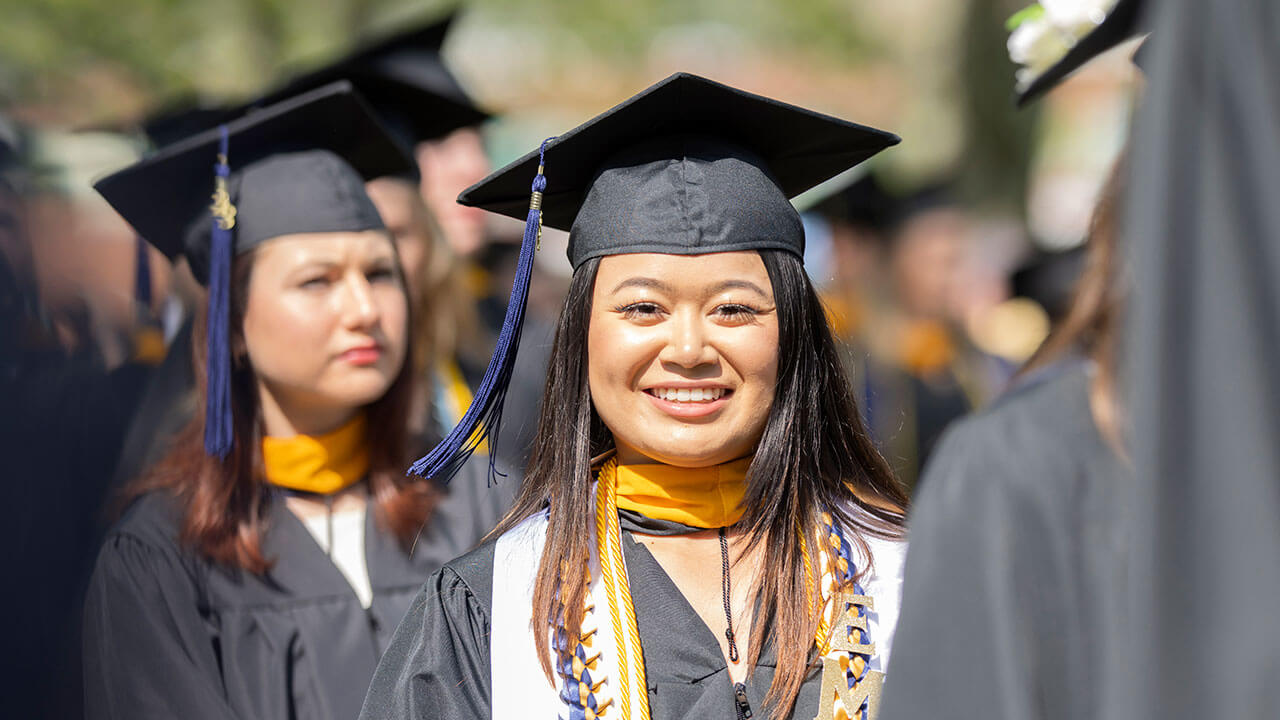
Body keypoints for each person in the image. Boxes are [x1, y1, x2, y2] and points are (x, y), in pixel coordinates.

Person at [360, 72, 910, 720]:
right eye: (643, 308)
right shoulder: (492, 607)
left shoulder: (901, 580)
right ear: (580, 338)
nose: (688, 349)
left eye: (734, 309)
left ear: (795, 334)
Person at [81, 83, 507, 720]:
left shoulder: (480, 505)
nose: (365, 310)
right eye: (317, 281)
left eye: (380, 273)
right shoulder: (163, 555)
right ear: (231, 322)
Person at [876, 2, 1146, 719]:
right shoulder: (1025, 450)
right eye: (933, 256)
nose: (945, 273)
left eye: (954, 256)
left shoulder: (981, 363)